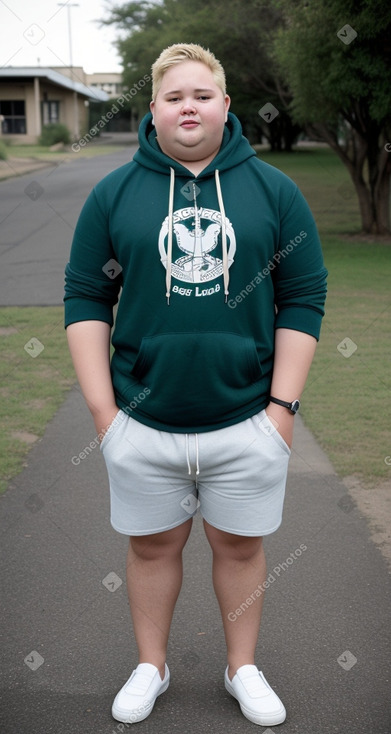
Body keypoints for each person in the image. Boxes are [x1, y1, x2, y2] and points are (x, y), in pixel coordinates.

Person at [64, 43, 327, 727]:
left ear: (224, 106)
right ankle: (151, 665)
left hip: (246, 418)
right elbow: (85, 296)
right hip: (142, 420)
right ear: (152, 110)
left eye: (201, 95)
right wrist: (102, 413)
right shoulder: (112, 194)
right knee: (152, 547)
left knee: (239, 548)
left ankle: (242, 669)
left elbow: (303, 296)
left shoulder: (272, 190)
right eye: (174, 96)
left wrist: (281, 410)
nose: (188, 106)